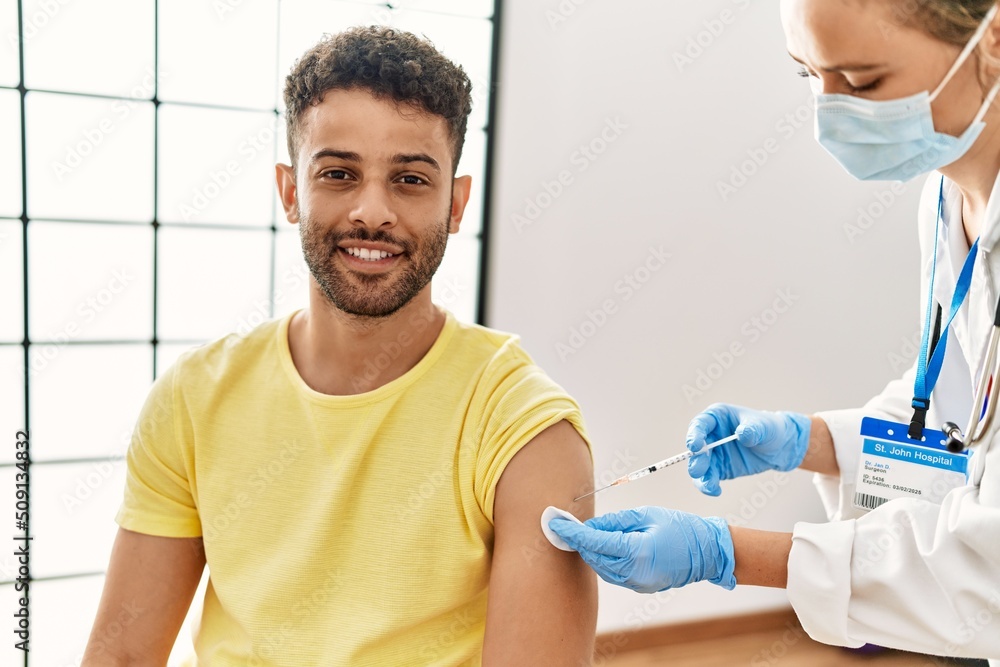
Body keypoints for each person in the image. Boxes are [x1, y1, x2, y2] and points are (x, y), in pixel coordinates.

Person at [82, 26, 597, 666]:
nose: (372, 211)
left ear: (456, 203)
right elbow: (121, 656)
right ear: (291, 191)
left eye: (409, 179)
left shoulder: (525, 428)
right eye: (338, 173)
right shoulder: (193, 399)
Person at [550, 1, 1000, 664]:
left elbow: (987, 566)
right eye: (807, 76)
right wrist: (809, 442)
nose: (829, 116)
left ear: (992, 39)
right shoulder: (948, 201)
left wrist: (728, 553)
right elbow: (965, 419)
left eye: (863, 82)